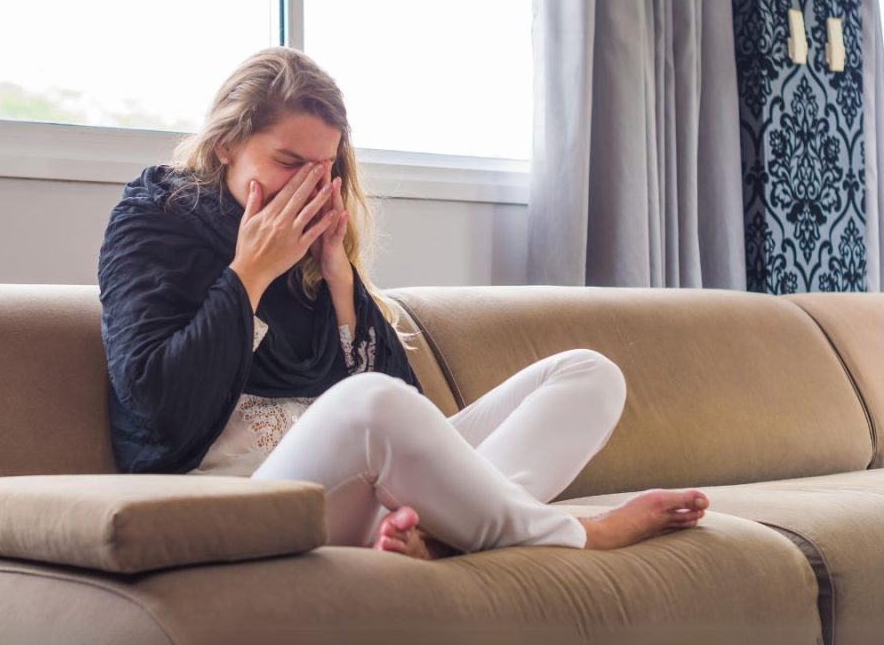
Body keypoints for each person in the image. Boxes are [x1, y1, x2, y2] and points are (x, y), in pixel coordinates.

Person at [98, 46, 709, 560]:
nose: (307, 186)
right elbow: (159, 406)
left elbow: (412, 409)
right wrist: (250, 273)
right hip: (247, 492)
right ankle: (572, 534)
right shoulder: (153, 219)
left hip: (361, 486)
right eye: (287, 162)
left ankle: (445, 536)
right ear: (227, 144)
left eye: (322, 167)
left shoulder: (319, 258)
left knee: (587, 373)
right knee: (368, 403)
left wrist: (340, 279)